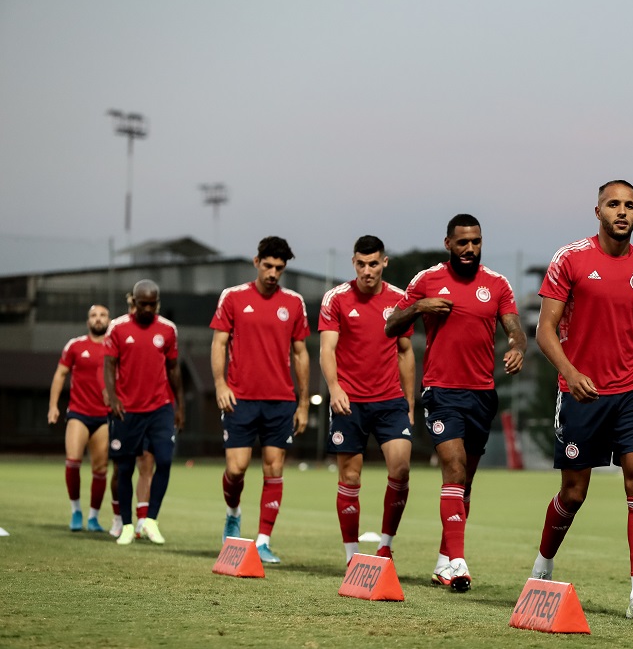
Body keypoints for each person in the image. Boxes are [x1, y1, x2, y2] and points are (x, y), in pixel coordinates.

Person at [528, 180, 633, 621]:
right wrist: (570, 374)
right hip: (581, 393)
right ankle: (543, 565)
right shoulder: (570, 258)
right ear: (598, 211)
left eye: (630, 205)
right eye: (613, 204)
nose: (622, 212)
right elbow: (544, 330)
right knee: (574, 493)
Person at [385, 213, 525, 592]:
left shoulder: (497, 284)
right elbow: (391, 325)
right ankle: (460, 563)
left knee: (466, 482)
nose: (470, 249)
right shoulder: (427, 280)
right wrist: (419, 307)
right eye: (462, 242)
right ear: (448, 243)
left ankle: (444, 561)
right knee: (454, 468)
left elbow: (515, 328)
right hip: (442, 391)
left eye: (476, 242)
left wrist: (517, 347)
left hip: (482, 394)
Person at [211, 236, 310, 564]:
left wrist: (303, 403)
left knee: (274, 467)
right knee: (236, 468)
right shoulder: (233, 297)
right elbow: (219, 343)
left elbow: (301, 354)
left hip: (280, 401)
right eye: (267, 266)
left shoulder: (294, 302)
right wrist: (220, 384)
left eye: (279, 268)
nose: (272, 273)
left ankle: (264, 541)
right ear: (256, 262)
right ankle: (233, 514)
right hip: (240, 398)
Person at [319, 235, 415, 564]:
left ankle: (385, 546)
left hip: (390, 401)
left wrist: (410, 403)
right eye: (361, 264)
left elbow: (406, 353)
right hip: (349, 403)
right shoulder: (336, 299)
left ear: (384, 262)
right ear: (353, 263)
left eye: (373, 263)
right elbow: (327, 349)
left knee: (401, 469)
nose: (367, 270)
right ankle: (352, 555)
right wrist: (335, 388)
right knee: (349, 477)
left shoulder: (400, 300)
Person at [104, 280, 185, 546]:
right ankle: (127, 525)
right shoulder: (117, 328)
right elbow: (109, 365)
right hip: (128, 410)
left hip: (160, 407)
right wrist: (113, 398)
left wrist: (180, 406)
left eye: (152, 304)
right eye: (143, 304)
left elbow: (174, 369)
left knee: (164, 460)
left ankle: (150, 520)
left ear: (157, 303)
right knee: (124, 467)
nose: (148, 308)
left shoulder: (168, 330)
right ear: (134, 302)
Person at [48, 304, 111, 532]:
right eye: (93, 315)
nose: (98, 319)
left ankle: (93, 517)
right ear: (87, 322)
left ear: (109, 320)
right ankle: (76, 511)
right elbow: (60, 374)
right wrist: (53, 406)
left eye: (102, 315)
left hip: (104, 416)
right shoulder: (75, 345)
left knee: (100, 468)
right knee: (73, 460)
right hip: (79, 413)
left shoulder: (115, 347)